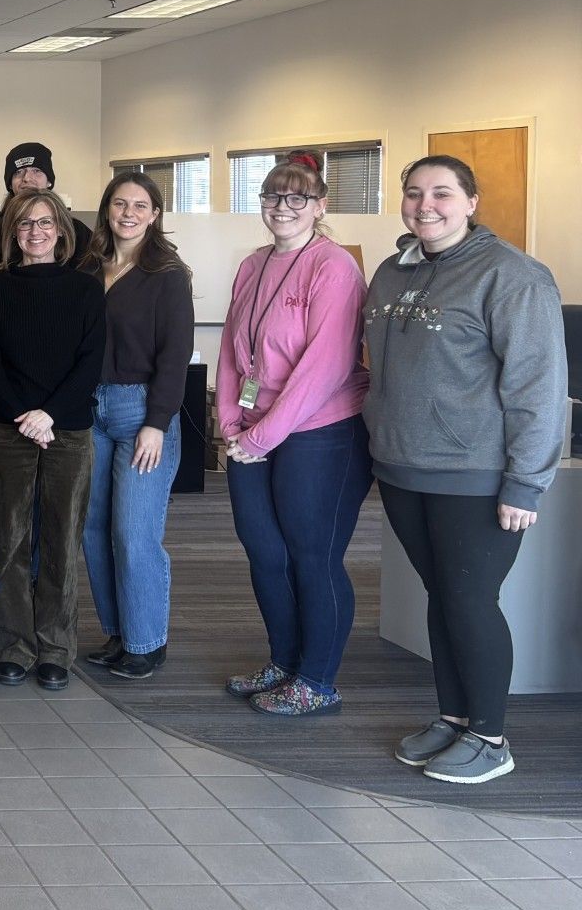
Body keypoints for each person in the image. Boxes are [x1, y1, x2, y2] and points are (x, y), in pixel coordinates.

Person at [363, 155, 565, 784]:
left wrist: (525, 481)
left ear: (472, 202)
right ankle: (454, 718)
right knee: (442, 597)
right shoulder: (392, 272)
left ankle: (492, 737)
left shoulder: (513, 276)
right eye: (414, 193)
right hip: (401, 467)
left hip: (474, 472)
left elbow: (538, 386)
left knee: (471, 600)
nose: (427, 205)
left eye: (443, 194)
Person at [217, 154, 373, 717]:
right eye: (273, 197)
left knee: (314, 556)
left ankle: (318, 679)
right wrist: (231, 420)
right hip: (254, 431)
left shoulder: (333, 267)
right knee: (264, 551)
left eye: (296, 198)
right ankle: (283, 662)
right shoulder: (252, 264)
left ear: (320, 206)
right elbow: (235, 348)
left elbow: (326, 365)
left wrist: (262, 437)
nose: (282, 208)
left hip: (321, 432)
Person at [0, 188, 105, 690]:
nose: (36, 231)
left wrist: (49, 414)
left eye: (46, 222)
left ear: (62, 232)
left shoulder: (86, 290)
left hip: (68, 429)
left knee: (62, 540)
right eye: (26, 223)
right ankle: (11, 644)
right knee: (10, 538)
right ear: (12, 233)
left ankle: (54, 647)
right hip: (8, 430)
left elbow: (90, 363)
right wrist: (25, 417)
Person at [78, 172, 193, 682]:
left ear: (155, 214)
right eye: (119, 203)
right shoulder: (87, 267)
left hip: (141, 411)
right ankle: (120, 633)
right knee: (93, 529)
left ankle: (147, 642)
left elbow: (175, 355)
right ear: (106, 210)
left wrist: (157, 423)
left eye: (140, 205)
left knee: (134, 532)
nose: (128, 212)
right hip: (90, 411)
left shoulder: (167, 274)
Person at [0, 141, 93, 341]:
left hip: (62, 347)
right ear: (10, 183)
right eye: (19, 172)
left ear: (49, 181)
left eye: (37, 170)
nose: (27, 178)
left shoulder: (77, 234)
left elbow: (88, 298)